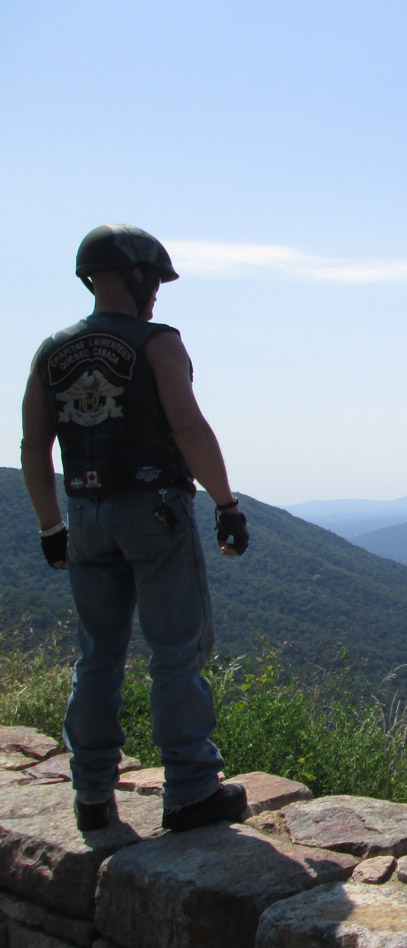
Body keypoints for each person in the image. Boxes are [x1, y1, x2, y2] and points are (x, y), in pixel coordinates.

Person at [20, 224, 251, 833]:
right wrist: (228, 506)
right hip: (154, 510)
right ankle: (191, 790)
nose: (157, 294)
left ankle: (92, 794)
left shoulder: (50, 352)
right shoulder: (157, 343)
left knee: (97, 656)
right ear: (137, 275)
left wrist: (51, 527)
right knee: (176, 652)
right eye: (155, 280)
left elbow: (34, 448)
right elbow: (190, 430)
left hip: (85, 515)